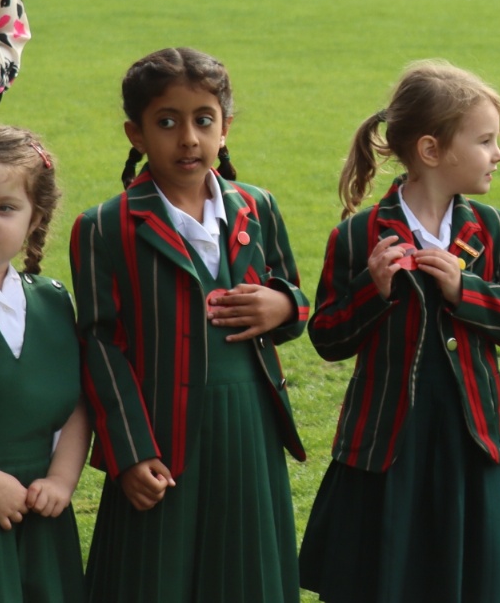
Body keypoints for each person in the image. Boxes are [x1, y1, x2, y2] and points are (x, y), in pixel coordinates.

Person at [70, 48, 308, 603]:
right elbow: (100, 345)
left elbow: (294, 296)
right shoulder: (105, 227)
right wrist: (130, 451)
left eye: (203, 120)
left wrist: (282, 307)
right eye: (166, 122)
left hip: (249, 427)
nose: (188, 139)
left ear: (225, 129)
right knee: (156, 571)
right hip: (159, 437)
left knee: (247, 566)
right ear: (135, 133)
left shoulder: (258, 207)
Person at [299, 61, 500, 603]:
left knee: (467, 582)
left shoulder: (495, 231)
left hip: (471, 445)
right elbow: (328, 339)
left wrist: (464, 289)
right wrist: (372, 289)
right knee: (384, 579)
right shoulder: (358, 235)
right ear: (431, 150)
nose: (499, 154)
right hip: (386, 449)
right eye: (485, 141)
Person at [0, 127, 85, 603]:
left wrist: (61, 480)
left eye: (4, 208)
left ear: (36, 218)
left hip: (41, 516)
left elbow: (75, 405)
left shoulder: (53, 303)